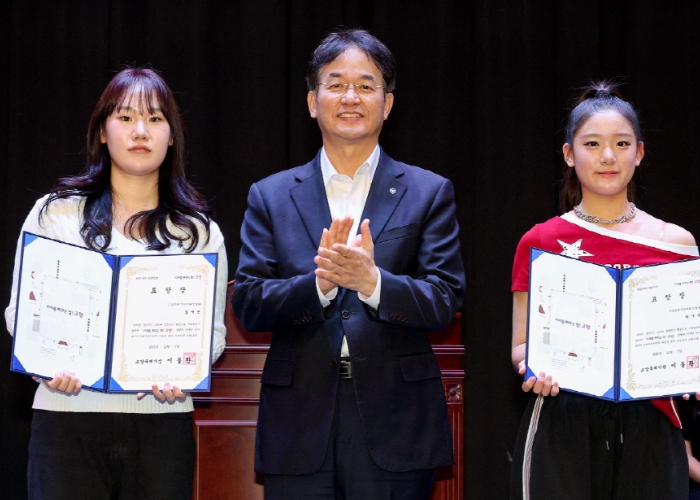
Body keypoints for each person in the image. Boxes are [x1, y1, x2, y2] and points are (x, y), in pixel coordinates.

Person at [232, 28, 465, 499]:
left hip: (396, 420)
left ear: (388, 103)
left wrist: (373, 282)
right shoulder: (271, 195)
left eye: (365, 85)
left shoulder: (428, 191)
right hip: (298, 420)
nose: (351, 97)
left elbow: (444, 298)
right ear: (313, 102)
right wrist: (318, 286)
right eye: (336, 84)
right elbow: (250, 302)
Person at [4, 67, 228, 499]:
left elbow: (213, 336)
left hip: (163, 422)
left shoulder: (198, 233)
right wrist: (47, 363)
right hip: (66, 418)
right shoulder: (55, 215)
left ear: (172, 136)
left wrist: (183, 370)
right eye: (125, 117)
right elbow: (21, 314)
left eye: (155, 118)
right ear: (103, 132)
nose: (140, 131)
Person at [509, 81, 697, 499]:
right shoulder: (539, 241)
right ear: (569, 154)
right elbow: (520, 345)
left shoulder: (677, 242)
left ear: (640, 152)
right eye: (592, 143)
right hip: (563, 417)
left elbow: (689, 338)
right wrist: (534, 368)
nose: (608, 156)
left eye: (622, 143)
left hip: (652, 422)